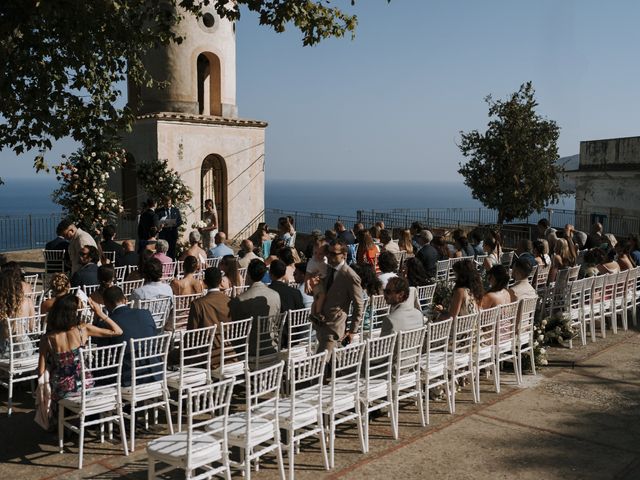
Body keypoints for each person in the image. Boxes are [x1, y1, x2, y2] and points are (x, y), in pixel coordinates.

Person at [37, 294, 123, 403]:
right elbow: (118, 331)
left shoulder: (47, 338)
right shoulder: (84, 330)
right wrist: (100, 313)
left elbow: (40, 371)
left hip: (62, 389)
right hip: (85, 385)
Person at [95, 286, 159, 386]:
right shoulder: (145, 313)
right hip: (155, 371)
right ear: (125, 299)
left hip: (129, 377)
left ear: (106, 304)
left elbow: (103, 358)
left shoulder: (106, 324)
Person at [315, 240, 364, 354]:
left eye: (334, 254)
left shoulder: (350, 275)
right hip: (322, 324)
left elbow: (358, 304)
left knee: (320, 362)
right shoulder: (327, 269)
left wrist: (352, 331)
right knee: (330, 363)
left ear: (344, 255)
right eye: (329, 253)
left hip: (335, 326)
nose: (329, 256)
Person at [229, 259, 281, 355]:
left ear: (248, 274)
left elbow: (235, 328)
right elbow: (276, 321)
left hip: (249, 351)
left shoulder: (240, 299)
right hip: (272, 347)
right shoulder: (276, 295)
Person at [187, 267, 231, 368]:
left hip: (206, 356)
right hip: (229, 353)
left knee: (171, 356)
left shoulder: (197, 304)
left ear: (204, 282)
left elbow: (191, 334)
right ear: (220, 281)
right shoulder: (230, 301)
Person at [0, 270, 36, 359]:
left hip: (6, 352)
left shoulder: (2, 304)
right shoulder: (28, 301)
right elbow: (32, 328)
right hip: (25, 350)